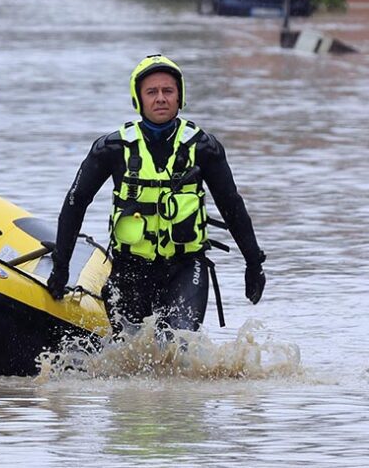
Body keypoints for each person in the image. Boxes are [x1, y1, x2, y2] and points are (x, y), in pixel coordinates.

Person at [46, 54, 267, 334]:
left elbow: (231, 206)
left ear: (179, 97)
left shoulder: (204, 148)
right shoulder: (110, 149)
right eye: (152, 92)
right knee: (130, 351)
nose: (160, 98)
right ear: (138, 99)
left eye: (168, 91)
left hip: (186, 267)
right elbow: (75, 204)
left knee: (178, 344)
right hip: (131, 270)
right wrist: (61, 266)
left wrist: (253, 262)